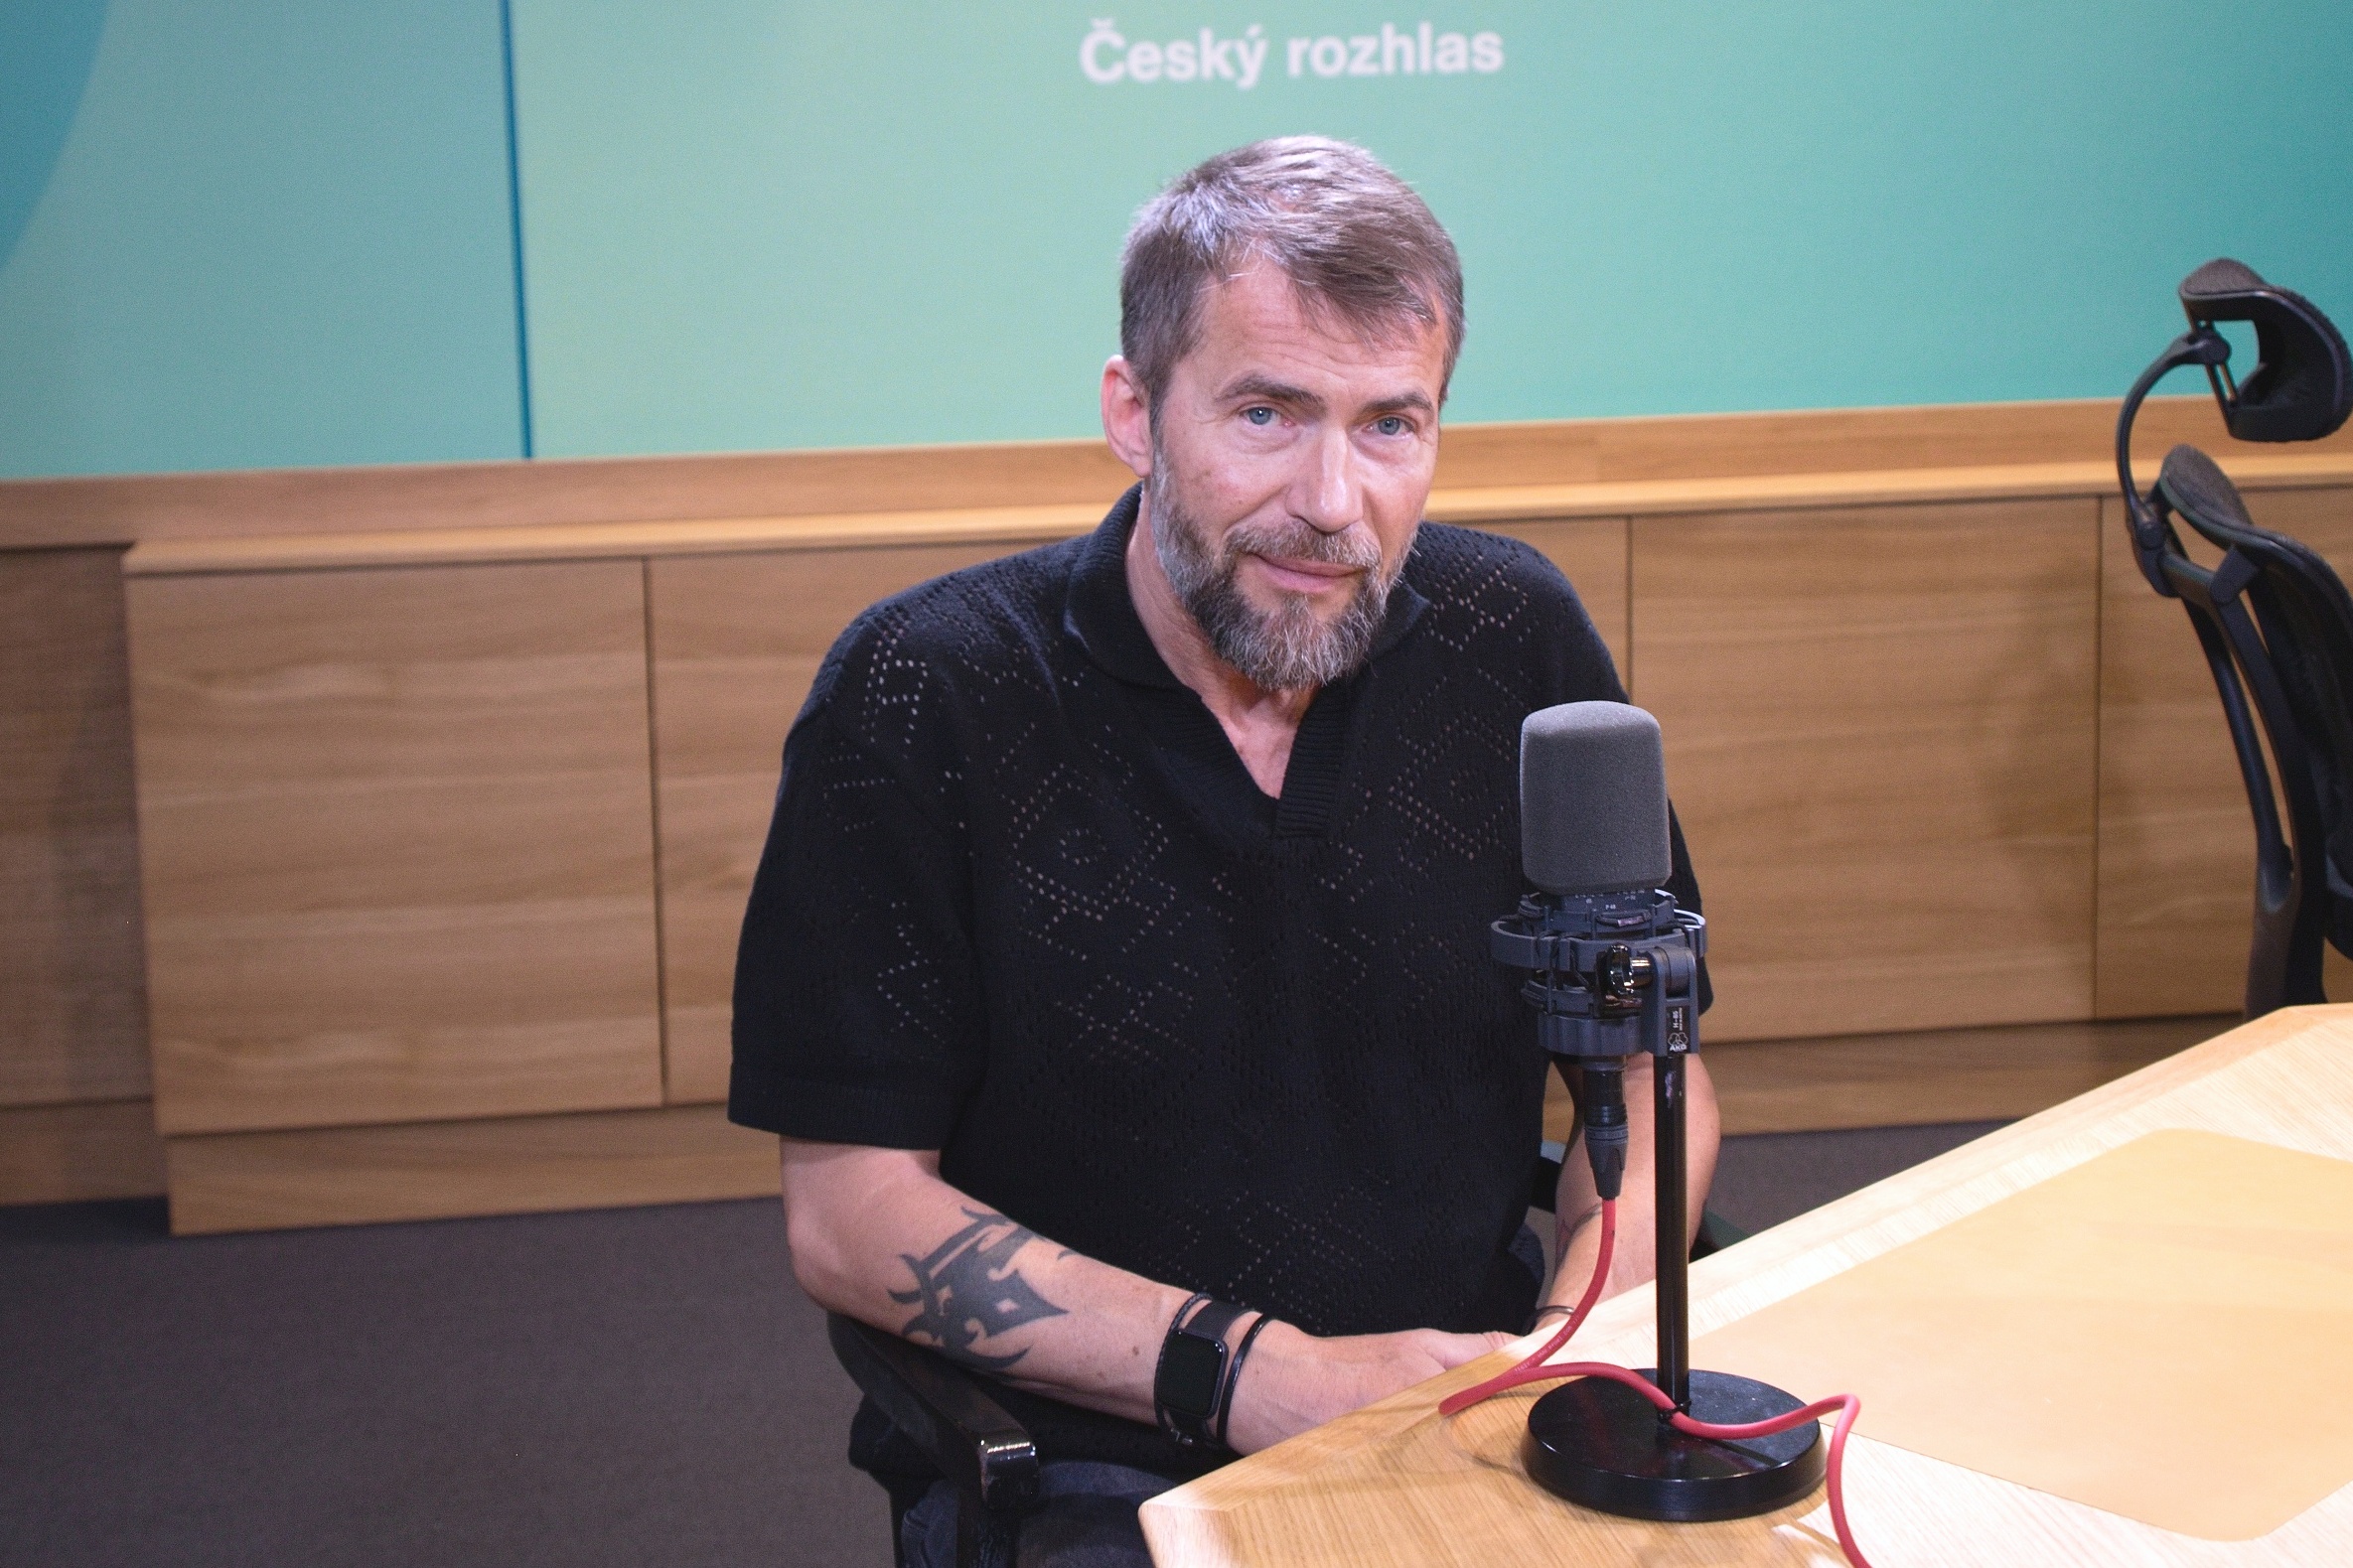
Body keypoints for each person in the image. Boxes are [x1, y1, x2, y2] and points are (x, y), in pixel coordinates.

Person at [728, 135, 1720, 1566]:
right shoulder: (922, 690)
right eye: (1267, 413)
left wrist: (1583, 1330)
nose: (1333, 502)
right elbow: (847, 1213)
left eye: (1391, 425)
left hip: (1472, 1404)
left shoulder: (1515, 637)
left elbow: (1649, 1073)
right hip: (1099, 1460)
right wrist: (1259, 1373)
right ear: (1133, 413)